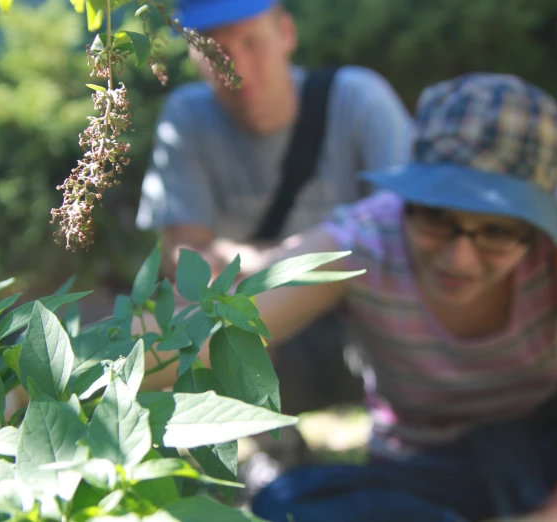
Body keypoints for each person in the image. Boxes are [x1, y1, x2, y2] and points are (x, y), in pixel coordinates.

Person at [166, 73, 557, 521]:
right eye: (436, 219)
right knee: (290, 499)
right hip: (430, 470)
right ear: (407, 199)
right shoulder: (361, 239)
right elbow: (203, 335)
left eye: (497, 231)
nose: (461, 256)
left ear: (537, 225)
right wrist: (93, 369)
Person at [135, 0, 412, 487]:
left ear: (285, 33)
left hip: (367, 315)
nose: (236, 64)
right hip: (264, 319)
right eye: (214, 48)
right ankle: (273, 448)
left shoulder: (359, 99)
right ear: (193, 55)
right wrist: (241, 266)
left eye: (252, 41)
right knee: (194, 305)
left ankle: (408, 439)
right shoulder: (187, 118)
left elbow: (410, 230)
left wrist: (273, 259)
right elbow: (182, 252)